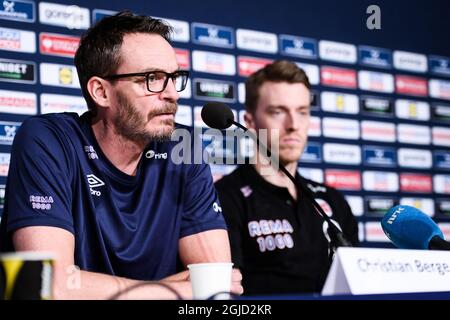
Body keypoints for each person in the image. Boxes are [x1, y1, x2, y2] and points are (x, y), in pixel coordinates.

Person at [0, 11, 242, 299]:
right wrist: (176, 288)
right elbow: (50, 286)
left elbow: (217, 285)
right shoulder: (48, 140)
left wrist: (92, 287)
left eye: (174, 78)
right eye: (152, 79)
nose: (172, 95)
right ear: (101, 91)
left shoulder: (184, 146)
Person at [215, 60, 358, 295]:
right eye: (278, 112)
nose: (293, 125)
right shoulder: (224, 199)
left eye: (302, 112)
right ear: (250, 122)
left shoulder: (333, 202)